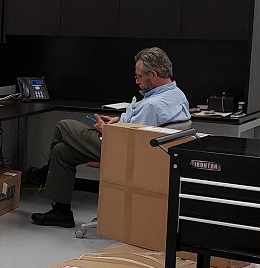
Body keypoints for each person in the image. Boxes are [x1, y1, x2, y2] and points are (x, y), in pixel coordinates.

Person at [28, 47, 190, 228]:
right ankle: (61, 212)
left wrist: (107, 130)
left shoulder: (153, 105)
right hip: (140, 148)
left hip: (126, 152)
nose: (136, 81)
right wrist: (119, 120)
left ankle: (44, 173)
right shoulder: (176, 95)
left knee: (63, 126)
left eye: (138, 76)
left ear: (152, 75)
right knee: (62, 151)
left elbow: (135, 140)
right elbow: (142, 127)